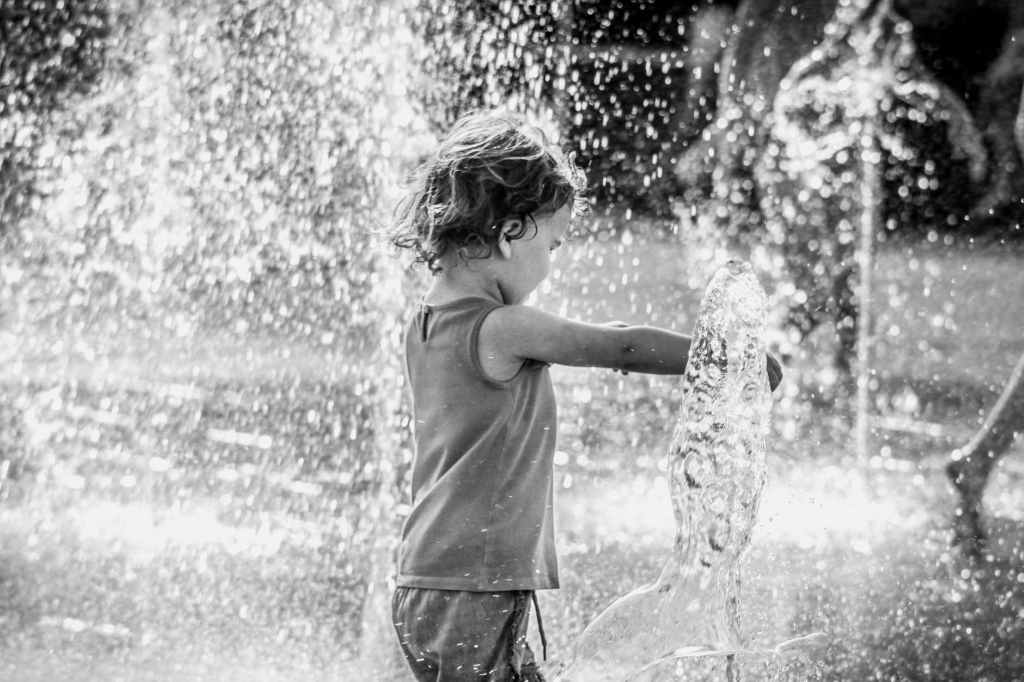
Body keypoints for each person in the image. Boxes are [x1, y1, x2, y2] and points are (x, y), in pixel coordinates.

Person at [389, 110, 782, 681]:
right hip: (474, 582)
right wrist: (726, 358)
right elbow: (619, 345)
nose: (550, 265)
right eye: (552, 245)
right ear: (510, 234)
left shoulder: (425, 322)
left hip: (427, 579)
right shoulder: (500, 327)